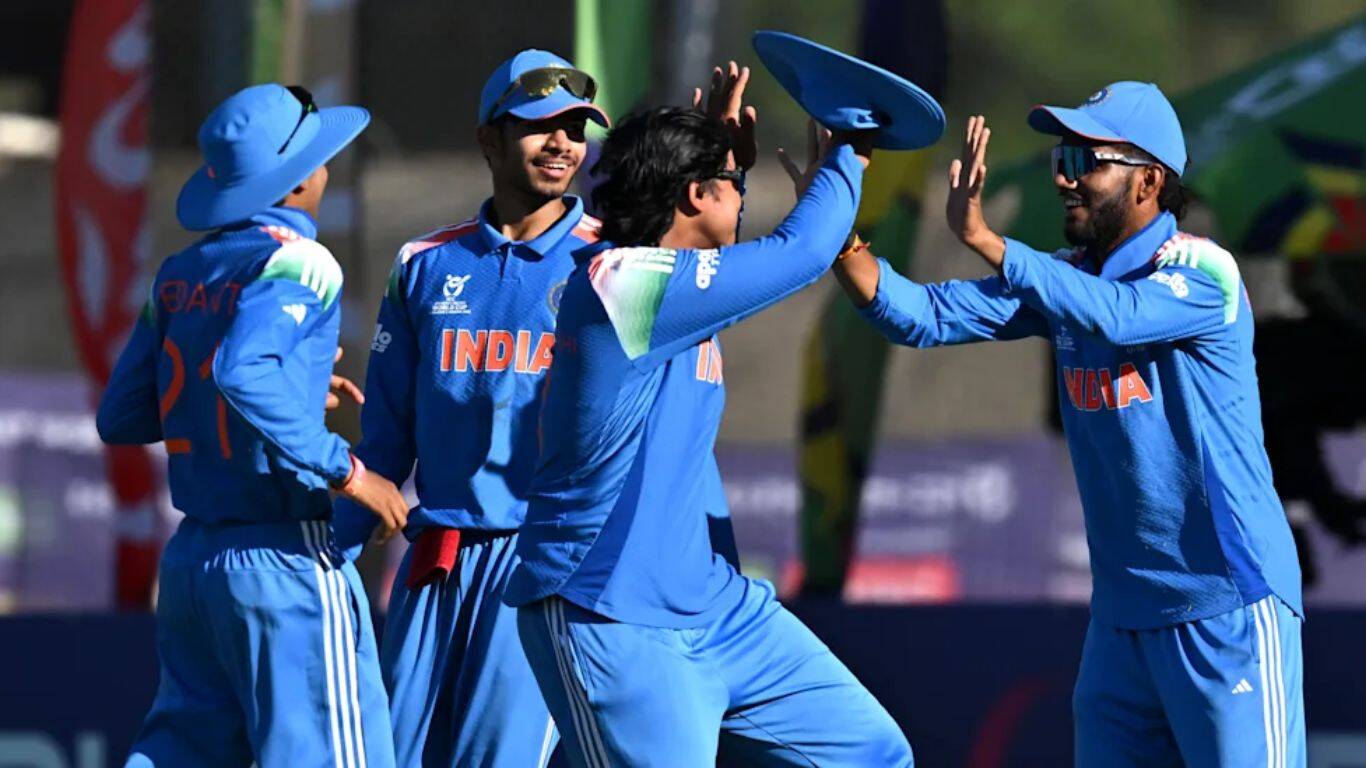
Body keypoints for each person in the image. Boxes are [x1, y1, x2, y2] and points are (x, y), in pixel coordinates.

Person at [831, 82, 1304, 767]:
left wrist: (989, 242)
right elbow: (921, 316)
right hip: (1122, 622)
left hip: (1226, 604)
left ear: (1148, 181)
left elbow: (1118, 317)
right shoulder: (1063, 278)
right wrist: (837, 233)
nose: (1063, 177)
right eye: (1062, 157)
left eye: (1085, 160)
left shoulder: (1204, 270)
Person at [503, 65, 913, 766]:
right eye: (734, 183)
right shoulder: (624, 287)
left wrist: (721, 158)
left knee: (874, 754)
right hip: (609, 614)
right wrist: (851, 147)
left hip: (719, 611)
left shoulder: (672, 285)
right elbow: (804, 251)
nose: (744, 196)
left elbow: (731, 249)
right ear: (695, 194)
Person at [97, 83, 408, 767]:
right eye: (319, 157)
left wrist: (290, 395)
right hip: (284, 557)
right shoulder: (301, 258)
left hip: (193, 566)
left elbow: (122, 415)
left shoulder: (180, 272)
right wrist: (349, 471)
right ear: (298, 181)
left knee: (180, 753)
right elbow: (241, 373)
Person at [330, 49, 612, 767]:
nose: (563, 144)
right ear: (490, 138)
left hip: (543, 564)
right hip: (435, 560)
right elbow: (385, 442)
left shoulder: (613, 262)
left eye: (577, 128)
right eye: (541, 126)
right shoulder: (424, 263)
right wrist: (325, 558)